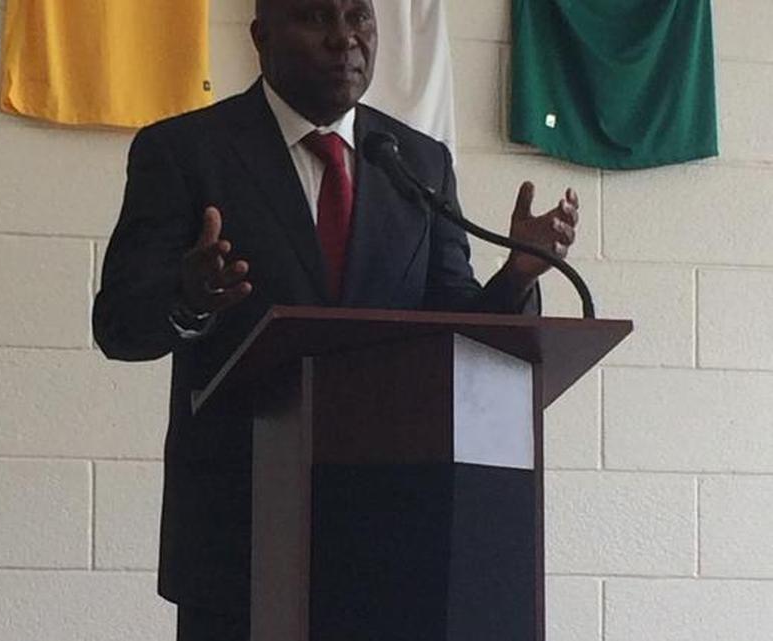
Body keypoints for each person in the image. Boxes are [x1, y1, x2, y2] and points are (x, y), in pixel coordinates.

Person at [92, 0, 579, 638]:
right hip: (242, 532)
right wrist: (188, 296)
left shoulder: (415, 161)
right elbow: (119, 324)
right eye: (317, 19)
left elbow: (449, 321)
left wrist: (516, 275)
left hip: (396, 530)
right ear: (261, 36)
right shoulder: (185, 151)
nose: (344, 40)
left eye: (359, 19)